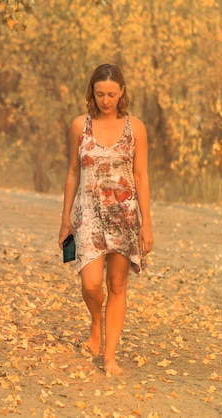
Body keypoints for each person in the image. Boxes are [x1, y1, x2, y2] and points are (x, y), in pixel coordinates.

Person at [58, 64, 153, 375]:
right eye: (100, 94)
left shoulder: (135, 128)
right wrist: (65, 219)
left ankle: (109, 357)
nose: (106, 100)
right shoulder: (79, 126)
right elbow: (73, 171)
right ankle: (95, 319)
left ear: (122, 92)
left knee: (117, 284)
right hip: (88, 216)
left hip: (124, 216)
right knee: (92, 284)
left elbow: (141, 176)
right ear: (92, 93)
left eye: (112, 94)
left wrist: (147, 223)